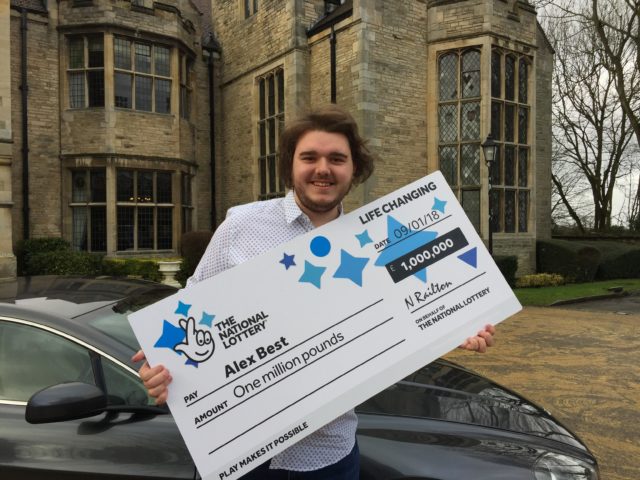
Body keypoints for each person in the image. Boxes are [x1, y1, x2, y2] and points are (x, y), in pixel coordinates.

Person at [132, 104, 496, 479]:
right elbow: (188, 314)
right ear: (291, 164)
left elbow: (403, 319)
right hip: (240, 455)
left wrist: (455, 323)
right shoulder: (241, 225)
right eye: (310, 157)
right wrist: (161, 364)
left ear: (354, 169)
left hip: (328, 455)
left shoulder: (376, 242)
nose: (323, 168)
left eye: (337, 158)